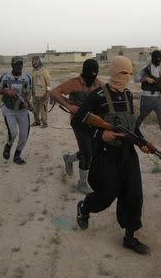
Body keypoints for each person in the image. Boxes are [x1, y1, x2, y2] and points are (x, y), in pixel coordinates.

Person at [71, 56, 151, 255]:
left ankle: (130, 237)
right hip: (106, 155)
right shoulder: (97, 95)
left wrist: (141, 142)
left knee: (133, 195)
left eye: (129, 72)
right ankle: (85, 207)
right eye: (123, 72)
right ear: (114, 72)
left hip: (128, 154)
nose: (127, 76)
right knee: (106, 196)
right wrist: (100, 134)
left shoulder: (128, 95)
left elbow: (132, 126)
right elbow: (77, 121)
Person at [50, 58, 102, 194]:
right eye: (90, 74)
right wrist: (69, 106)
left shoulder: (98, 84)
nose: (93, 77)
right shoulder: (74, 83)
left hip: (94, 121)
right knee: (87, 153)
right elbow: (54, 92)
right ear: (84, 72)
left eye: (95, 74)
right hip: (78, 122)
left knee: (91, 151)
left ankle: (69, 158)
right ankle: (82, 183)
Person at [134, 50, 161, 146]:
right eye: (157, 59)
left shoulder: (158, 68)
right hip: (147, 98)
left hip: (157, 98)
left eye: (160, 59)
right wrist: (146, 79)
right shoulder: (146, 67)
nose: (159, 61)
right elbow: (135, 78)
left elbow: (159, 83)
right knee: (141, 117)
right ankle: (133, 131)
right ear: (153, 58)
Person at [0, 56, 32, 165]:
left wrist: (27, 101)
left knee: (24, 135)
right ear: (12, 65)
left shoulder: (26, 78)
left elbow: (28, 92)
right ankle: (8, 145)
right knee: (13, 132)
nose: (19, 66)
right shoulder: (5, 76)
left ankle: (17, 154)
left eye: (20, 64)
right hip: (8, 109)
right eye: (16, 64)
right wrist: (6, 91)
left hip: (22, 110)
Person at [31, 56, 51, 128]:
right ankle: (37, 122)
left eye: (35, 61)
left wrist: (48, 92)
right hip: (35, 93)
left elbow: (48, 82)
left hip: (43, 93)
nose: (34, 62)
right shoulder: (33, 70)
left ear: (39, 61)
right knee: (35, 109)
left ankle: (45, 123)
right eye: (33, 61)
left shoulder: (44, 70)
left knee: (43, 109)